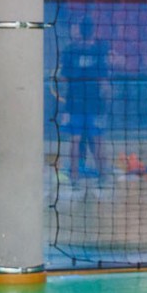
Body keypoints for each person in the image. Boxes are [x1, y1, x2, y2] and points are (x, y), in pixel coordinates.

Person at [60, 17, 113, 189]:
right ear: (92, 30)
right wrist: (106, 105)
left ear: (79, 29)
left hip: (74, 103)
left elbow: (63, 79)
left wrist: (66, 104)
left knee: (75, 140)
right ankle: (103, 177)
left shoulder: (70, 51)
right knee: (97, 140)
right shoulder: (98, 51)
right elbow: (103, 82)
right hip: (94, 103)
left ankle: (74, 178)